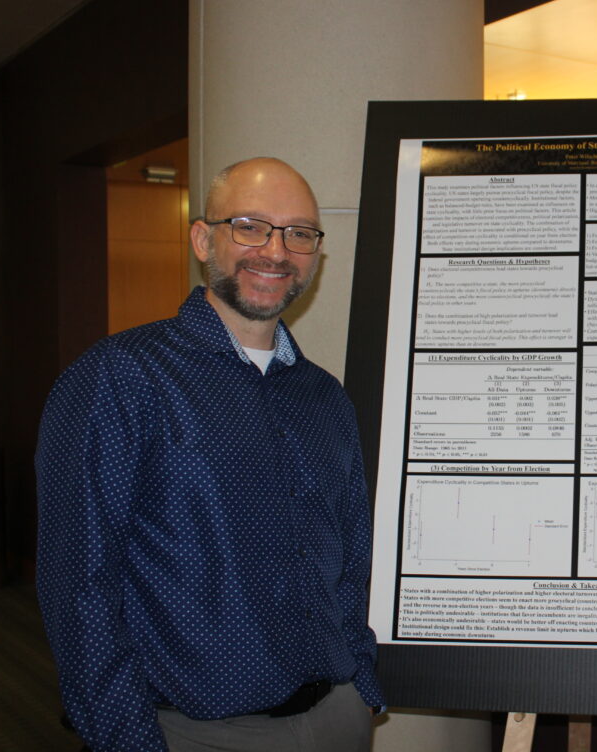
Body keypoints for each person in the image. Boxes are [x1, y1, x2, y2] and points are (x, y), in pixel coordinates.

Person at [36, 157, 384, 751]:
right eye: (249, 225)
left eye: (299, 233)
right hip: (191, 732)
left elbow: (350, 557)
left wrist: (362, 686)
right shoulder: (120, 378)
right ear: (203, 239)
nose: (275, 251)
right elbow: (80, 585)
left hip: (337, 720)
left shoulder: (325, 398)